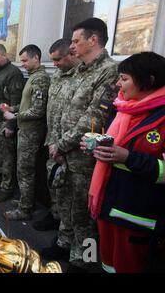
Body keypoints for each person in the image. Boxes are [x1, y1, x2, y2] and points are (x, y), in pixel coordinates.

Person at [45, 18, 119, 272]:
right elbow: (63, 108)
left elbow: (93, 118)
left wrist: (63, 144)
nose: (73, 46)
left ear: (93, 40)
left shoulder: (109, 71)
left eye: (76, 40)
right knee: (65, 204)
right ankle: (65, 244)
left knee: (85, 213)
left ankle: (84, 259)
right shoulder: (80, 69)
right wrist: (56, 143)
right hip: (64, 151)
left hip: (83, 155)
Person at [83, 52, 165, 273]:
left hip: (137, 217)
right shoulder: (123, 108)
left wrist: (127, 158)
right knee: (108, 266)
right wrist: (97, 149)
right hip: (108, 206)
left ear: (148, 81)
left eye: (124, 78)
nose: (118, 84)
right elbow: (114, 150)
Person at [33, 39, 80, 231]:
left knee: (70, 193)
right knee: (53, 182)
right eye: (52, 60)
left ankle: (65, 228)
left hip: (69, 144)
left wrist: (61, 143)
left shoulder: (81, 76)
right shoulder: (59, 75)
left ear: (71, 54)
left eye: (58, 59)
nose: (55, 64)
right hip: (52, 138)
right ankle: (54, 215)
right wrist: (52, 140)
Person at [3, 45, 50, 220]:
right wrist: (12, 108)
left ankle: (25, 209)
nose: (22, 64)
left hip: (31, 133)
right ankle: (25, 200)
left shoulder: (40, 79)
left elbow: (38, 110)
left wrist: (13, 115)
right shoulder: (33, 77)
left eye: (24, 60)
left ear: (36, 58)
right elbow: (27, 105)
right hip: (25, 131)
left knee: (25, 170)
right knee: (22, 169)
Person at [0, 43, 25, 202]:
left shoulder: (13, 73)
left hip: (4, 123)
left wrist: (10, 126)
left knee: (6, 156)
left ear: (4, 55)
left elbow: (16, 100)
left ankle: (6, 187)